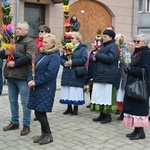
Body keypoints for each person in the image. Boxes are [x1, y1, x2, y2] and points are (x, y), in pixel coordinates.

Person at [0, 21, 37, 136]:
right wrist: (3, 52)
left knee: (25, 102)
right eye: (17, 28)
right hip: (10, 75)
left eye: (20, 29)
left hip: (23, 76)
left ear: (26, 30)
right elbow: (3, 55)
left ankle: (26, 125)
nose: (17, 30)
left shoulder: (30, 42)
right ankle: (15, 122)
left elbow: (28, 57)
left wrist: (15, 62)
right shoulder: (13, 40)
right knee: (12, 101)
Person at [27, 33, 60, 145]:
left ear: (52, 44)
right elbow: (33, 67)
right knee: (37, 111)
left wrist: (36, 82)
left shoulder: (54, 56)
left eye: (46, 42)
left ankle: (48, 134)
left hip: (46, 87)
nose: (43, 43)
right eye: (43, 41)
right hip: (37, 86)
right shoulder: (41, 52)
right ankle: (43, 133)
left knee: (40, 112)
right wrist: (30, 79)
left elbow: (50, 73)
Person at [123, 34, 150, 140]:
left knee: (139, 107)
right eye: (134, 41)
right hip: (133, 83)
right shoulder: (136, 52)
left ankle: (141, 132)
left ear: (144, 43)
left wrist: (131, 70)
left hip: (140, 84)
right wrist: (127, 67)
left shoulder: (147, 53)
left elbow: (145, 70)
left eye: (137, 41)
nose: (135, 43)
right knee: (133, 107)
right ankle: (136, 130)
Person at [90, 29, 119, 124]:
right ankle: (102, 114)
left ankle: (108, 116)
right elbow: (101, 57)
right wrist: (95, 58)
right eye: (103, 36)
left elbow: (111, 58)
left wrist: (98, 55)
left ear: (111, 37)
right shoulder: (104, 45)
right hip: (101, 74)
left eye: (105, 36)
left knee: (106, 96)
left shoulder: (113, 46)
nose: (103, 38)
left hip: (108, 75)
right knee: (100, 95)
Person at [60, 32, 87, 115]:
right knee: (68, 90)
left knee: (74, 90)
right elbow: (61, 58)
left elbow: (84, 59)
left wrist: (73, 62)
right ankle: (69, 107)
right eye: (70, 38)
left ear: (78, 39)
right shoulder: (67, 48)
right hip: (67, 71)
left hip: (76, 72)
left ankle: (75, 108)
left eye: (73, 38)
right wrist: (65, 62)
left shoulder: (82, 49)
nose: (71, 40)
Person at [33, 25, 51, 121]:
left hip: (43, 70)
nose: (40, 32)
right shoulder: (36, 41)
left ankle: (41, 113)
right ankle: (37, 112)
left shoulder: (49, 44)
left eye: (42, 31)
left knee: (42, 94)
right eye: (39, 31)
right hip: (35, 66)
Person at [116, 37, 135, 121]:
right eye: (129, 45)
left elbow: (128, 64)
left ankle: (124, 113)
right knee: (119, 94)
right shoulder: (124, 52)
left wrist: (123, 58)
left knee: (124, 95)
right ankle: (119, 109)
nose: (130, 46)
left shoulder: (134, 54)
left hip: (127, 77)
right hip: (121, 76)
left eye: (132, 45)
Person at [84, 40, 97, 108]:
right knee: (90, 87)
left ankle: (95, 102)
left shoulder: (98, 52)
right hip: (90, 71)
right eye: (92, 43)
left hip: (95, 72)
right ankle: (91, 101)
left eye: (94, 43)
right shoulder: (90, 52)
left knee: (95, 88)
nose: (92, 44)